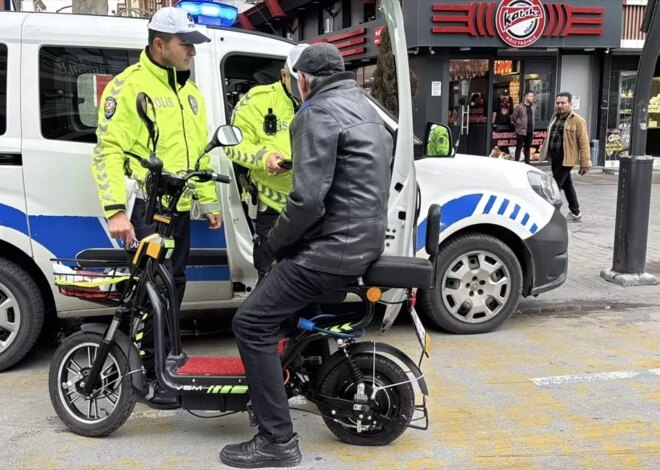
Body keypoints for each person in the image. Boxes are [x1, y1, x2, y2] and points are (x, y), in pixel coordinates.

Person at [220, 43, 393, 468]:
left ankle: (277, 441)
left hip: (331, 251)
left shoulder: (314, 112)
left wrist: (273, 244)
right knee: (288, 313)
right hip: (362, 242)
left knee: (251, 322)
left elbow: (306, 201)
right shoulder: (365, 107)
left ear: (301, 80)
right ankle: (300, 386)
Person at [91, 7, 221, 407]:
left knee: (173, 285)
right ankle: (146, 375)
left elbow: (199, 155)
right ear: (159, 44)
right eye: (187, 45)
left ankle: (162, 364)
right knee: (152, 290)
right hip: (146, 209)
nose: (193, 53)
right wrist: (114, 209)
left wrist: (208, 202)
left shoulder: (190, 95)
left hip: (177, 209)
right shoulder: (128, 87)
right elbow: (108, 152)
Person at [224, 44, 308, 281]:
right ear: (284, 75)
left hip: (314, 209)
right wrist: (264, 159)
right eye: (298, 78)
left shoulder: (327, 101)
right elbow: (233, 145)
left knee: (311, 284)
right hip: (272, 207)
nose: (305, 87)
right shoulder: (257, 101)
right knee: (272, 281)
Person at [539, 92, 591, 222]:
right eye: (558, 103)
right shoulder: (554, 117)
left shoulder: (578, 120)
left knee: (555, 185)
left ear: (570, 104)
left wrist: (585, 162)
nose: (560, 105)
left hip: (566, 159)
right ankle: (576, 213)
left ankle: (550, 215)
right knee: (568, 185)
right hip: (555, 157)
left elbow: (584, 142)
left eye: (563, 103)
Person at [511, 90, 536, 164]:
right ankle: (516, 163)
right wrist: (519, 123)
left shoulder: (533, 106)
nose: (532, 98)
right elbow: (513, 117)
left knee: (527, 148)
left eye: (532, 96)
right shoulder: (519, 106)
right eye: (530, 96)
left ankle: (527, 164)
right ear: (525, 96)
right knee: (519, 147)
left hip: (530, 131)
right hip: (521, 131)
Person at [492, 88, 514, 153]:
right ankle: (499, 152)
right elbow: (494, 112)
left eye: (506, 95)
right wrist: (493, 122)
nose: (505, 97)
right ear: (500, 95)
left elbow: (511, 112)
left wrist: (512, 122)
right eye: (503, 95)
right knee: (499, 139)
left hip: (507, 122)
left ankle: (506, 152)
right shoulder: (497, 100)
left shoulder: (510, 100)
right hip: (499, 122)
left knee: (507, 139)